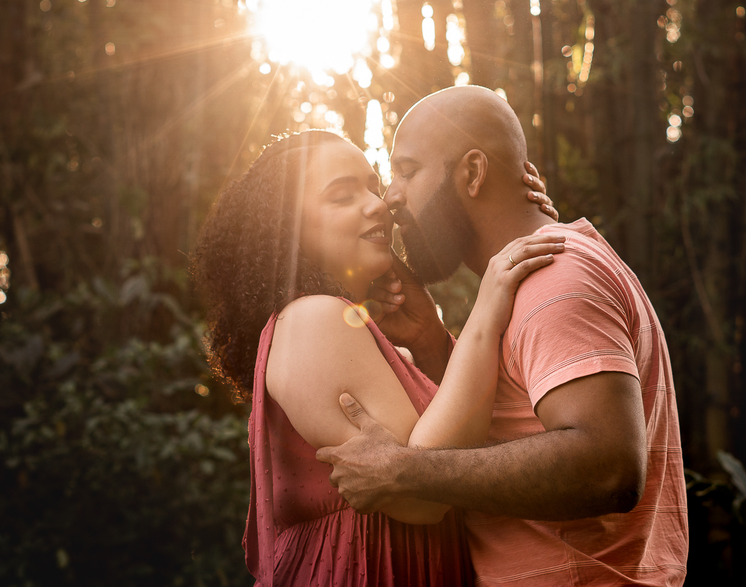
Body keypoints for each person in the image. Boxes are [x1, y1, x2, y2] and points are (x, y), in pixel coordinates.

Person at [316, 85, 689, 586]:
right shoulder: (537, 274)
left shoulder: (554, 278)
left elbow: (609, 467)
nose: (391, 198)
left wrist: (401, 472)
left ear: (473, 172)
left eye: (407, 171)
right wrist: (432, 343)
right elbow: (521, 427)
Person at [192, 129, 563, 586]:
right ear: (286, 231)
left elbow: (452, 451)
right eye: (342, 196)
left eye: (373, 186)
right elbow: (423, 498)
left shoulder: (348, 326)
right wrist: (484, 316)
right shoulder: (312, 318)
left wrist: (428, 338)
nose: (377, 204)